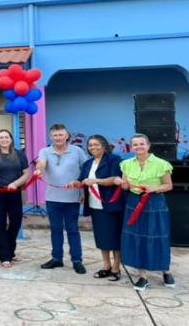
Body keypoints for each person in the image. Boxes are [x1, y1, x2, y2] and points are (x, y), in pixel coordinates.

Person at [114, 133, 175, 291]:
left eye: (142, 144)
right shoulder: (126, 164)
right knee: (137, 236)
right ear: (131, 147)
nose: (138, 147)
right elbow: (127, 187)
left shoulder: (161, 164)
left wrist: (155, 188)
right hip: (134, 202)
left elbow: (168, 185)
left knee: (157, 236)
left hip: (154, 202)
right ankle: (143, 276)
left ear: (148, 146)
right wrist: (120, 182)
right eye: (135, 144)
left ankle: (166, 271)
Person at [68, 135, 124, 281]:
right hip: (94, 204)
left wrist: (96, 181)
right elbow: (82, 181)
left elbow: (115, 179)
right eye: (90, 145)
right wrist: (75, 183)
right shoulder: (88, 163)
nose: (93, 147)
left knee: (114, 237)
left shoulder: (114, 160)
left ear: (104, 145)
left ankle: (116, 267)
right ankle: (106, 266)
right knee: (102, 237)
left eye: (96, 144)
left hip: (111, 204)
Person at [33, 124, 87, 274]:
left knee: (73, 229)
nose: (58, 138)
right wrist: (38, 169)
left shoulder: (77, 151)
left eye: (61, 135)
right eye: (55, 135)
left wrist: (83, 190)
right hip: (53, 198)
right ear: (51, 137)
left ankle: (77, 260)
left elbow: (85, 170)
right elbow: (41, 162)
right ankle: (57, 258)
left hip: (72, 198)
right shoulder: (45, 151)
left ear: (67, 135)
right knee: (56, 229)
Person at [0, 129, 30, 268]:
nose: (4, 140)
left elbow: (26, 173)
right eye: (1, 137)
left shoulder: (19, 154)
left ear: (11, 139)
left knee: (16, 223)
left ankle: (10, 250)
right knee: (1, 224)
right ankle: (5, 255)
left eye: (6, 137)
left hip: (15, 191)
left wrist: (15, 183)